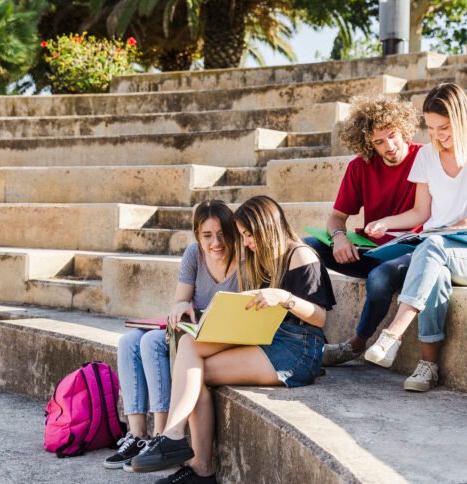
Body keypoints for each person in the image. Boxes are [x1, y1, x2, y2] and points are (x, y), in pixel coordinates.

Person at [128, 195, 336, 483]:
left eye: (249, 235)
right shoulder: (261, 255)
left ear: (267, 228)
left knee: (194, 374)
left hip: (297, 348)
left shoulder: (300, 254)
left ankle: (196, 464)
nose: (246, 242)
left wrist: (284, 298)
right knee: (190, 348)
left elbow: (319, 317)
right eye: (243, 236)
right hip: (265, 335)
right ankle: (178, 441)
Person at [362, 82, 467, 392]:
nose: (438, 135)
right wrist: (386, 222)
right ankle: (428, 367)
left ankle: (393, 333)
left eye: (445, 127)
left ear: (462, 118)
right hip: (436, 247)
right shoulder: (425, 155)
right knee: (432, 254)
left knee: (432, 247)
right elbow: (420, 213)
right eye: (432, 128)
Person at [104, 199, 240, 469]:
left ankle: (161, 436)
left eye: (222, 234)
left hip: (219, 338)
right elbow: (180, 300)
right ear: (197, 236)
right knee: (130, 340)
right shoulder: (193, 254)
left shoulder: (244, 259)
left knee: (153, 341)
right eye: (207, 236)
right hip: (192, 333)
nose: (216, 243)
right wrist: (181, 306)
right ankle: (138, 434)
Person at [303, 95, 425, 366]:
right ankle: (310, 328)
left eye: (393, 136)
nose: (389, 146)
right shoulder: (360, 166)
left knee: (379, 278)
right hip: (372, 250)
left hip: (412, 253)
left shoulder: (425, 157)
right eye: (378, 142)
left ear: (404, 129)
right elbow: (337, 217)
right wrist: (339, 238)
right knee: (305, 248)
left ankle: (355, 345)